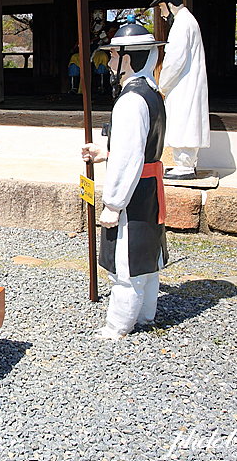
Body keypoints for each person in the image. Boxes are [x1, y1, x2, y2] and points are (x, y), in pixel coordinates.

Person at [81, 18, 167, 340]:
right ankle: (145, 314)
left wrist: (113, 203)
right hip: (148, 187)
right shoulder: (153, 94)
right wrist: (104, 151)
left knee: (127, 262)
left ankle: (118, 325)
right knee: (147, 257)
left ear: (129, 59)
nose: (111, 62)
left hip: (132, 191)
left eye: (115, 56)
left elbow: (129, 158)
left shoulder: (131, 101)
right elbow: (138, 148)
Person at [151, 0, 209, 180]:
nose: (160, 13)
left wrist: (162, 85)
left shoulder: (181, 25)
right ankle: (185, 164)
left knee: (183, 121)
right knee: (186, 120)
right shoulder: (188, 21)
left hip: (183, 84)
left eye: (160, 8)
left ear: (167, 4)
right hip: (187, 83)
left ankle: (185, 165)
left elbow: (173, 60)